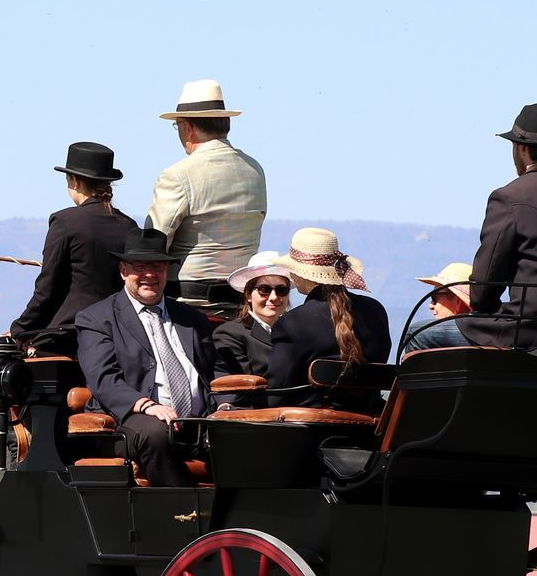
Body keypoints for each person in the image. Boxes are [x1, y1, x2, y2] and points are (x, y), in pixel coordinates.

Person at [404, 103, 537, 357]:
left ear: (521, 148)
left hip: (527, 333)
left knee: (417, 334)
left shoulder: (509, 198)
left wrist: (489, 310)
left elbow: (484, 288)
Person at [74, 226, 215, 487]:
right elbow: (103, 379)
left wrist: (227, 406)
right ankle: (185, 515)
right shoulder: (97, 318)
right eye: (140, 266)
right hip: (129, 422)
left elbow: (215, 370)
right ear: (123, 270)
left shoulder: (192, 319)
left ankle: (244, 518)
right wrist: (147, 405)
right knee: (156, 433)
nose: (149, 274)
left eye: (158, 266)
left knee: (244, 432)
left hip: (198, 423)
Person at [146, 79, 268, 311]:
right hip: (242, 301)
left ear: (187, 127)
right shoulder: (254, 169)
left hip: (187, 304)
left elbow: (155, 242)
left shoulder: (178, 175)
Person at [9, 142, 139, 355]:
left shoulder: (65, 222)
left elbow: (47, 288)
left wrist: (21, 328)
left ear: (75, 181)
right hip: (118, 333)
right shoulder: (129, 226)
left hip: (70, 335)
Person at [269, 228, 391, 415]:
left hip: (309, 431)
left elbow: (277, 393)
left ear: (302, 273)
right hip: (369, 425)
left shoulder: (292, 323)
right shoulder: (375, 311)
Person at [213, 252, 290, 379]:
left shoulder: (296, 331)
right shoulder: (229, 334)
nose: (274, 297)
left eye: (281, 290)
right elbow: (241, 386)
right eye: (264, 290)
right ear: (248, 294)